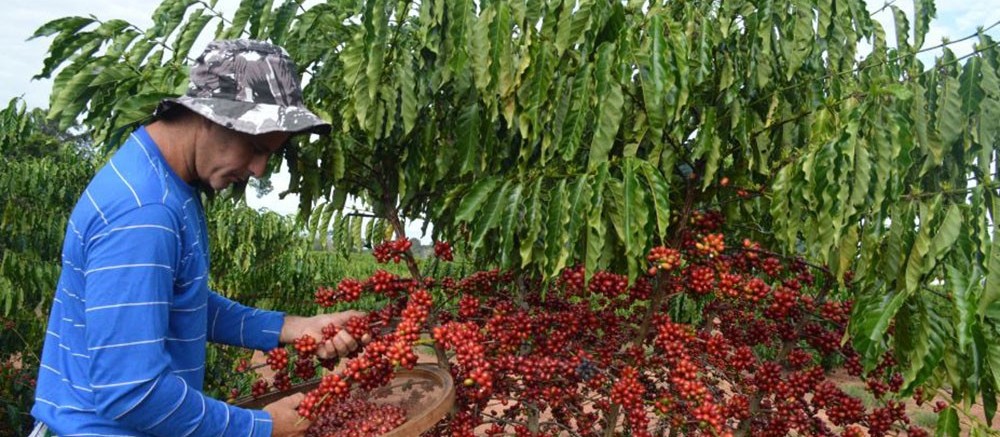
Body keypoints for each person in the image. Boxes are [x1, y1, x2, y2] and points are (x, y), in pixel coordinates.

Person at [30, 39, 363, 437]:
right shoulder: (145, 212)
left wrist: (292, 327)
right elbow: (133, 394)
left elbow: (174, 302)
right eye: (255, 147)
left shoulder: (164, 181)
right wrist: (263, 426)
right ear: (210, 115)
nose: (259, 170)